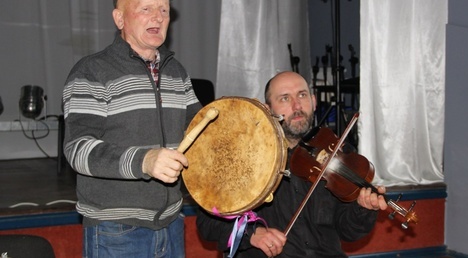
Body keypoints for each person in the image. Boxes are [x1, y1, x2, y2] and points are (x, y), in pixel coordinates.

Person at [62, 0, 202, 257]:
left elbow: (201, 131)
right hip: (116, 230)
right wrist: (144, 161)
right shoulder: (92, 72)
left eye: (164, 10)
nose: (158, 18)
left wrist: (247, 124)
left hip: (172, 222)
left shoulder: (177, 73)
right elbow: (78, 150)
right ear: (120, 19)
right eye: (146, 9)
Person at [196, 71, 388, 258]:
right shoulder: (241, 157)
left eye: (302, 95)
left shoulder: (338, 153)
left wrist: (363, 209)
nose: (297, 105)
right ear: (267, 108)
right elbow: (207, 224)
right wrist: (251, 233)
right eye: (285, 98)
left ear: (313, 101)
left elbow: (349, 232)